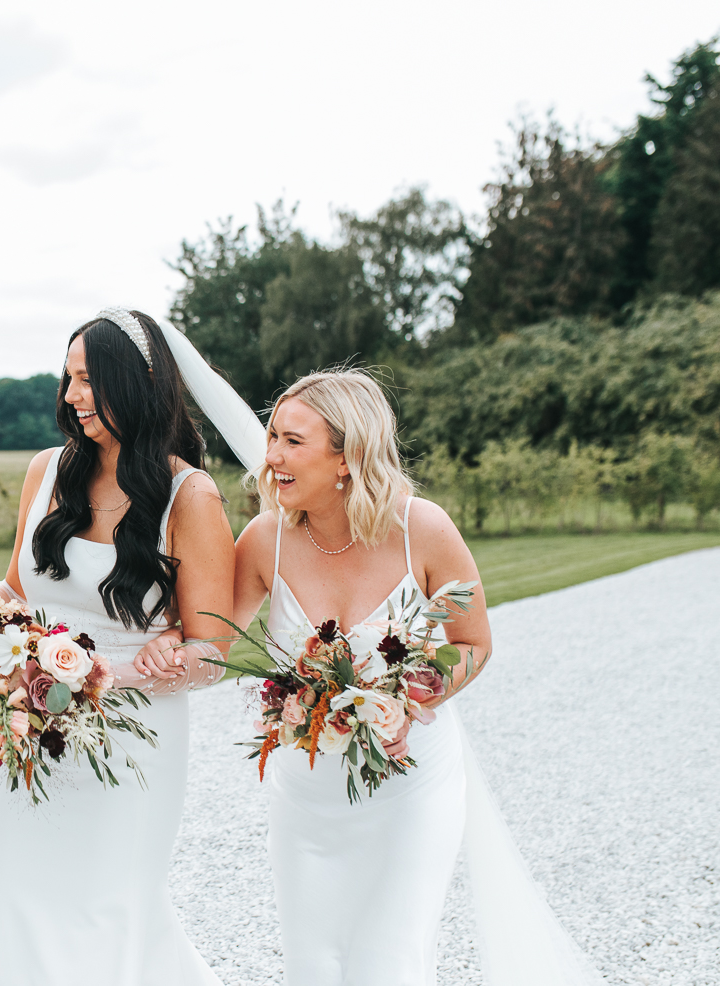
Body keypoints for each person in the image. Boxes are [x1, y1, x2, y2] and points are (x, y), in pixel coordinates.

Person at [231, 369, 596, 985]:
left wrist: (418, 693)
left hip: (410, 788)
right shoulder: (263, 539)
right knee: (312, 966)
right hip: (305, 795)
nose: (270, 458)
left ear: (346, 456)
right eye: (271, 437)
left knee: (387, 962)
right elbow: (206, 638)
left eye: (292, 441)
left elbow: (474, 643)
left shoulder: (421, 530)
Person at [0, 309, 245, 986]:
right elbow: (15, 591)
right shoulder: (48, 471)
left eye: (88, 380)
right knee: (24, 897)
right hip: (36, 728)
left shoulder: (191, 497)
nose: (71, 397)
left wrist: (162, 659)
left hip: (132, 740)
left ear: (136, 383)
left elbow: (212, 651)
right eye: (68, 379)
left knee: (106, 908)